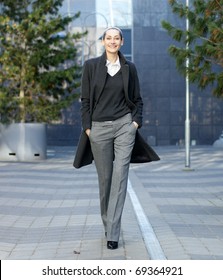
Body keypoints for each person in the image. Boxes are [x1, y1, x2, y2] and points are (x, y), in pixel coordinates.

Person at [74, 26, 159, 250]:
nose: (112, 41)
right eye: (108, 38)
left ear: (122, 42)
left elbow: (138, 100)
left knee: (120, 178)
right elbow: (85, 101)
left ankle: (113, 233)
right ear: (103, 42)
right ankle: (108, 224)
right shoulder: (91, 66)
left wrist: (134, 124)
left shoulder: (129, 68)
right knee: (106, 181)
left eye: (116, 38)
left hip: (124, 127)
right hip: (99, 129)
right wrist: (88, 128)